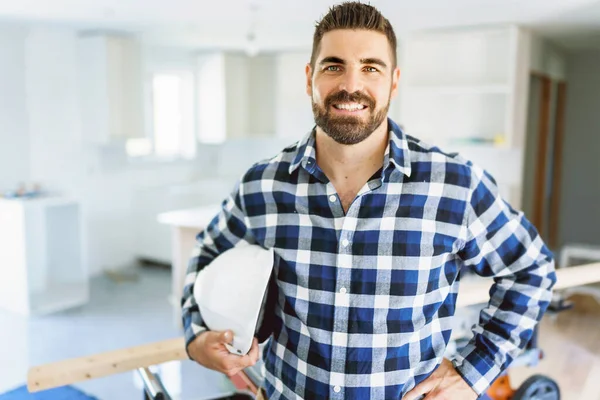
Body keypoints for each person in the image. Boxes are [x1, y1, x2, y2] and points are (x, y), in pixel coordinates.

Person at [181, 2, 557, 399]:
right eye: (333, 66)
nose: (350, 85)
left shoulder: (455, 185)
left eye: (370, 68)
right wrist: (196, 336)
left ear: (393, 82)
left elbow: (530, 269)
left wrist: (473, 371)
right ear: (310, 77)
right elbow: (206, 252)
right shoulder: (263, 185)